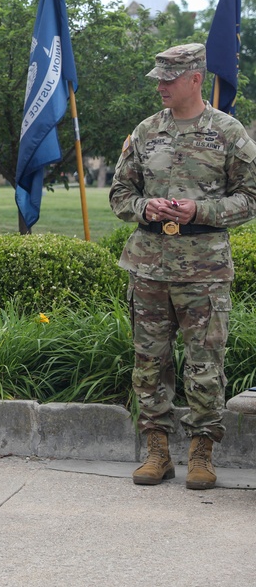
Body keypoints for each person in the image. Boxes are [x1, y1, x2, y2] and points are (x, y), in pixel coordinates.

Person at [110, 43, 256, 489]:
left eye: (169, 79)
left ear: (195, 78)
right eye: (158, 78)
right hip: (149, 267)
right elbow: (119, 195)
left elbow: (250, 198)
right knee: (149, 363)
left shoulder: (228, 133)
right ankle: (157, 451)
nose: (160, 86)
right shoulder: (146, 131)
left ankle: (201, 453)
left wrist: (200, 212)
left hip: (204, 271)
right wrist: (144, 207)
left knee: (204, 364)